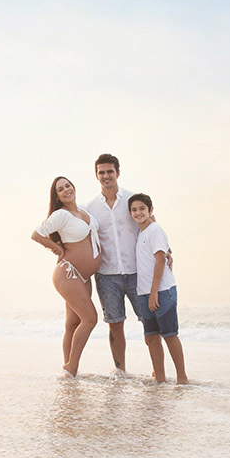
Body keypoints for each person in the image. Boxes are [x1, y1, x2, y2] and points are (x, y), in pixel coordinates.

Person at [30, 176, 101, 377]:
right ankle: (72, 368)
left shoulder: (84, 211)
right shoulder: (61, 215)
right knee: (90, 319)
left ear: (74, 187)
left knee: (72, 324)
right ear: (57, 196)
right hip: (68, 272)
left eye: (68, 185)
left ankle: (67, 371)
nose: (66, 190)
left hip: (83, 277)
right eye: (60, 189)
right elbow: (36, 234)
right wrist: (56, 247)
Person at [82, 153, 142, 373]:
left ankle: (158, 372)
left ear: (118, 172)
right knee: (115, 325)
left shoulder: (133, 199)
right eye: (102, 172)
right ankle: (120, 371)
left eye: (110, 171)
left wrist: (167, 251)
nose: (106, 176)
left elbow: (150, 225)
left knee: (150, 323)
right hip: (107, 275)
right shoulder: (89, 208)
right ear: (96, 175)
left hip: (137, 271)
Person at [128, 193, 187, 384]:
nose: (138, 213)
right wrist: (147, 293)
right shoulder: (141, 233)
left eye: (142, 209)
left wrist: (154, 292)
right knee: (151, 338)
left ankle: (182, 378)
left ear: (150, 210)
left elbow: (160, 259)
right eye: (134, 210)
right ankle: (160, 380)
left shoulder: (155, 230)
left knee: (169, 335)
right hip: (144, 292)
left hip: (162, 291)